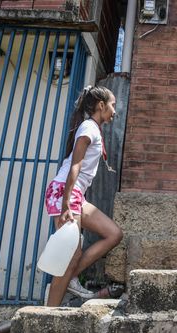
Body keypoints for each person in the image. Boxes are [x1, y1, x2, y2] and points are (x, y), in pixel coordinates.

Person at [44, 85, 124, 306]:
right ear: (101, 105)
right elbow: (75, 167)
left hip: (75, 193)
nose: (114, 111)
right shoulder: (88, 127)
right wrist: (66, 205)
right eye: (112, 105)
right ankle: (47, 314)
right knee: (70, 257)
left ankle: (67, 279)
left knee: (114, 234)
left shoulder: (93, 128)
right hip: (65, 192)